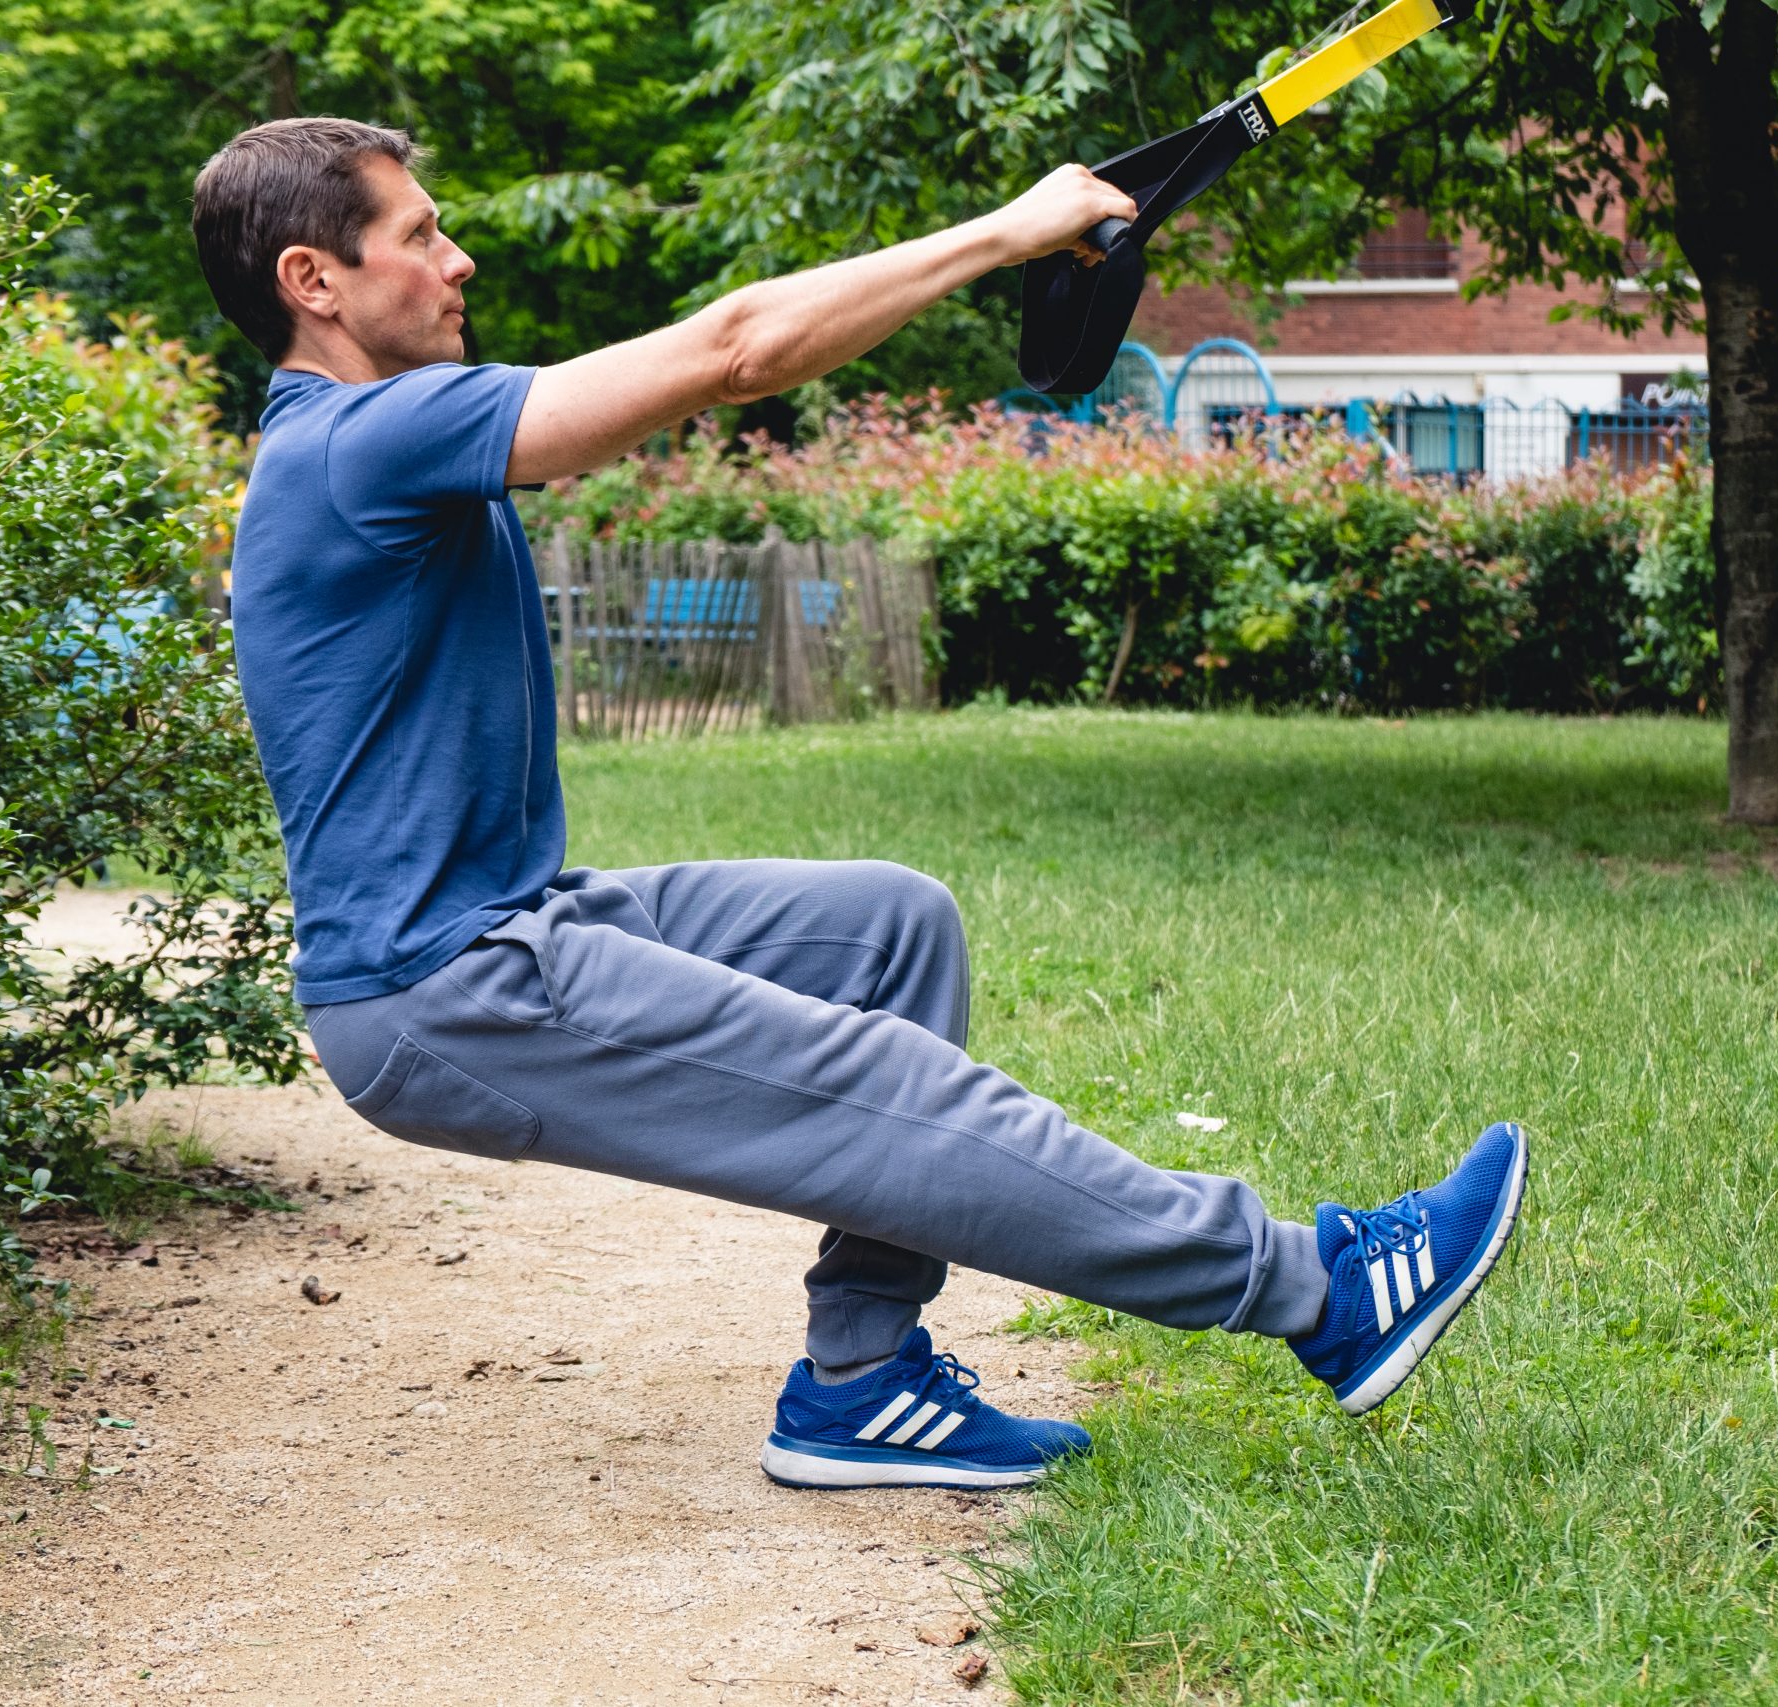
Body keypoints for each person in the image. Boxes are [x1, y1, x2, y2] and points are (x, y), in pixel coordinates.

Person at [191, 116, 1528, 1491]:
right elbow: (735, 350)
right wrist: (1009, 230)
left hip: (513, 920)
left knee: (889, 930)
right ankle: (1320, 1295)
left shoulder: (382, 440)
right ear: (316, 280)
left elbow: (737, 356)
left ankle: (861, 1378)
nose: (455, 258)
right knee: (885, 1087)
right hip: (444, 985)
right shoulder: (358, 441)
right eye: (419, 234)